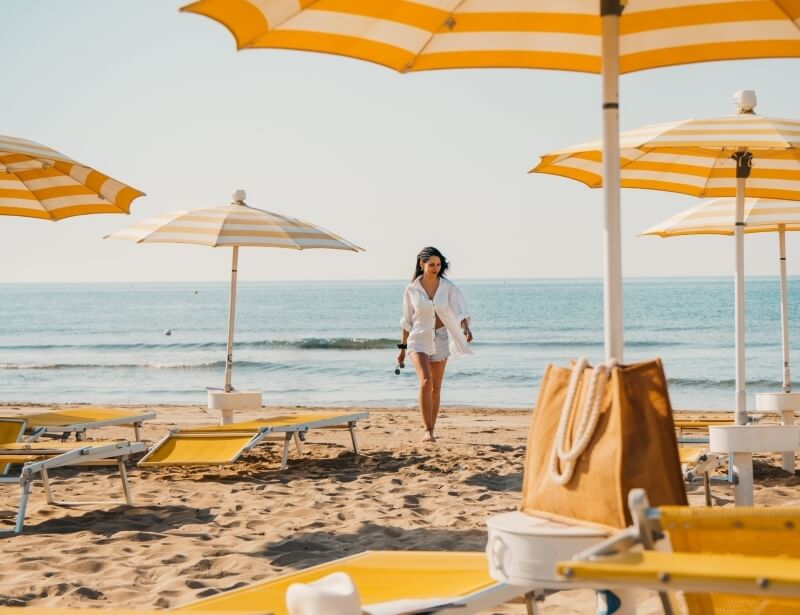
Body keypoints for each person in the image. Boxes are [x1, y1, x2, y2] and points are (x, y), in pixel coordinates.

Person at [397, 247, 473, 442]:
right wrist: (402, 349)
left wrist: (465, 327)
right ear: (422, 265)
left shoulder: (448, 287)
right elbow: (406, 321)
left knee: (436, 387)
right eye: (431, 265)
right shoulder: (412, 289)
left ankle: (432, 427)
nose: (436, 268)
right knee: (426, 381)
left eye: (438, 264)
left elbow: (461, 308)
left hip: (440, 338)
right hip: (418, 339)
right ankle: (427, 430)